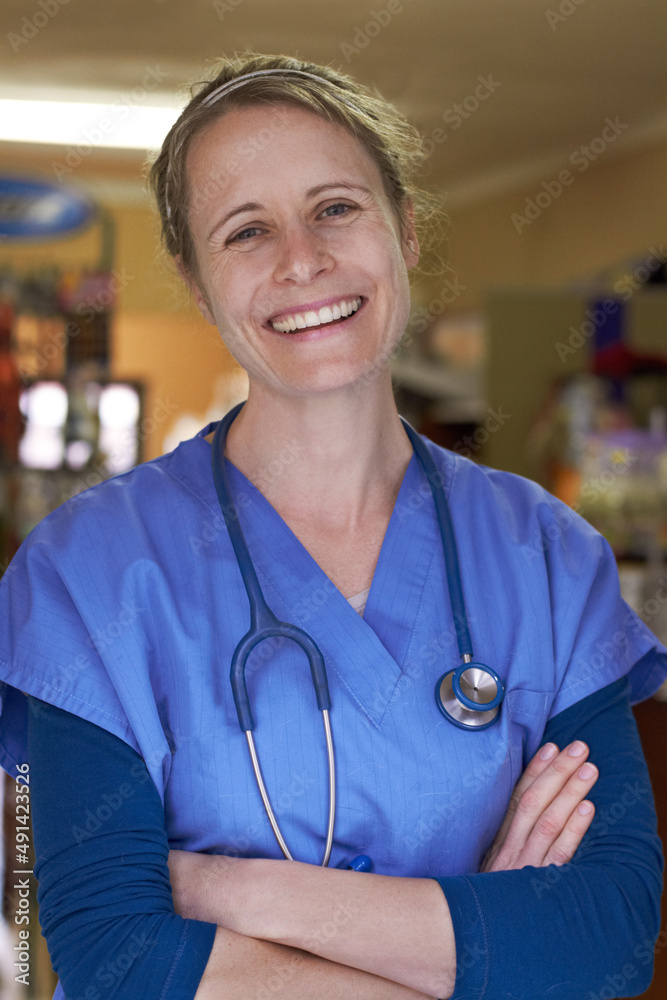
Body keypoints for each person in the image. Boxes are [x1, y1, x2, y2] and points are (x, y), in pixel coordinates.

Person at [1, 52, 665, 1000]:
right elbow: (120, 958)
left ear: (404, 230)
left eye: (336, 208)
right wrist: (481, 948)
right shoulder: (86, 574)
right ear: (196, 283)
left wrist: (225, 892)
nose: (300, 258)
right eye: (245, 230)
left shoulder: (548, 559)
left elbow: (605, 940)